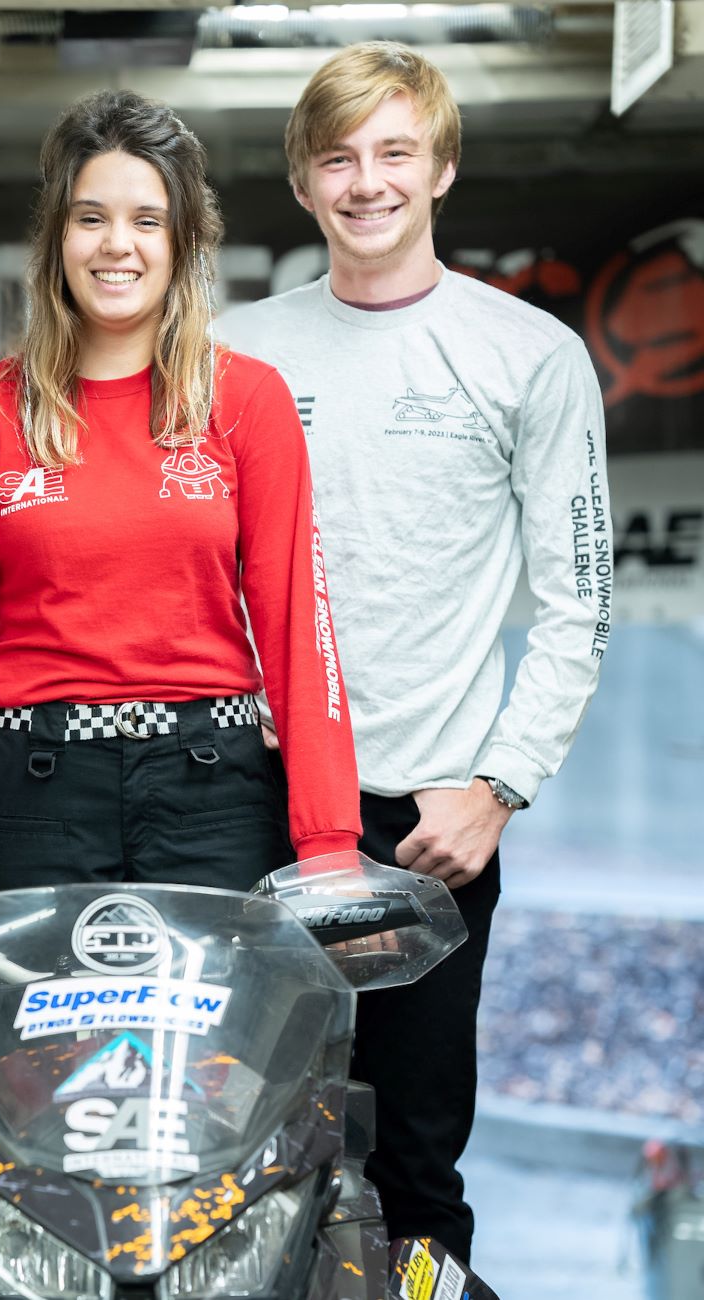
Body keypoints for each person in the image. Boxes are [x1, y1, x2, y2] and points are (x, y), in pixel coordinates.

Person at [220, 42, 611, 1262]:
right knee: (232, 1153)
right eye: (338, 157)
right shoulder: (231, 350)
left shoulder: (528, 354)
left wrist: (498, 788)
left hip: (426, 828)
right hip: (250, 802)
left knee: (411, 1171)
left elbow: (578, 602)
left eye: (395, 152)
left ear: (442, 166)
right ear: (301, 182)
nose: (368, 181)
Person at [0, 90, 360, 906]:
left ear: (183, 241)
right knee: (39, 1043)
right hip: (33, 800)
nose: (116, 246)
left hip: (216, 799)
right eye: (90, 218)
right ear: (57, 238)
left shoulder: (248, 401)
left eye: (147, 220)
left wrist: (331, 843)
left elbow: (299, 632)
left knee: (219, 1043)